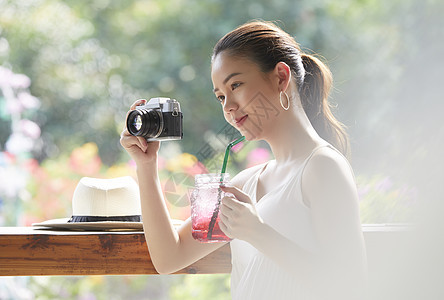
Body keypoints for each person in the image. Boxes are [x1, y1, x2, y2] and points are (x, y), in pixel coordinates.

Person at [121, 21, 367, 300]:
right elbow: (169, 257)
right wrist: (145, 165)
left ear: (280, 78)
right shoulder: (244, 183)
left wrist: (258, 232)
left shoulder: (323, 167)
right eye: (220, 97)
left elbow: (351, 284)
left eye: (235, 85)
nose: (228, 107)